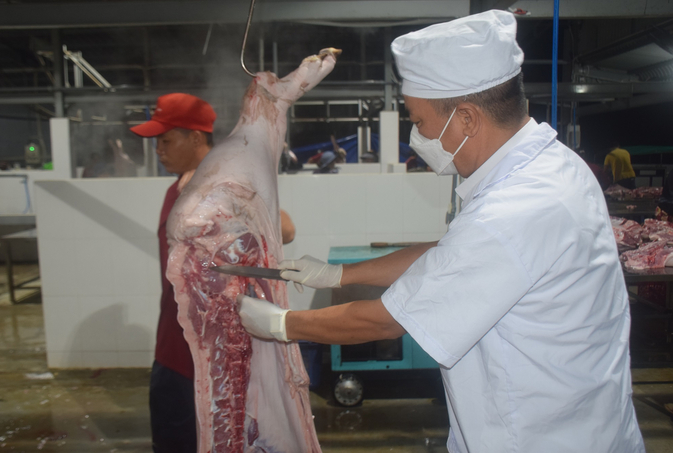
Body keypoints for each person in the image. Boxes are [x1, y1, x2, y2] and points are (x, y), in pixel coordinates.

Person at [238, 11, 645, 453]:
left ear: (467, 118)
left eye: (419, 120)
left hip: (540, 438)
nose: (418, 135)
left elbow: (387, 320)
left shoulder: (515, 209)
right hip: (579, 423)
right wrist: (339, 274)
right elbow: (453, 252)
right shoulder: (551, 164)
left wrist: (282, 324)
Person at [130, 93, 296, 453]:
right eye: (156, 141)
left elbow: (284, 228)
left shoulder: (217, 185)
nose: (158, 150)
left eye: (166, 139)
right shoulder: (177, 187)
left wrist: (227, 215)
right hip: (173, 348)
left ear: (195, 137)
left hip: (204, 360)